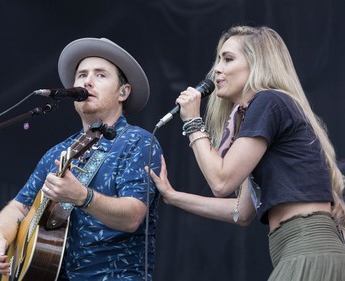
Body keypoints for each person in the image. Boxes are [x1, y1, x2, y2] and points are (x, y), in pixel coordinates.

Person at [147, 25, 345, 280]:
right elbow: (241, 212)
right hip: (299, 249)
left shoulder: (268, 101)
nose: (217, 69)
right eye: (217, 59)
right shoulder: (266, 111)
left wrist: (193, 122)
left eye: (228, 59)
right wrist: (173, 197)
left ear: (257, 64)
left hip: (307, 245)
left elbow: (221, 181)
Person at [0, 37, 162, 280]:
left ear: (123, 92)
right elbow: (18, 207)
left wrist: (83, 197)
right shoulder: (57, 152)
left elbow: (133, 216)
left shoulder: (138, 142)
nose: (87, 81)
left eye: (100, 75)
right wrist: (0, 238)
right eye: (81, 75)